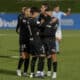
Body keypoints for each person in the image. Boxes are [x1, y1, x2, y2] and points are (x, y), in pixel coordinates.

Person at [26, 7, 45, 78]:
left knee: (34, 57)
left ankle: (31, 73)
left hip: (31, 40)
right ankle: (39, 73)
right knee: (42, 56)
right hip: (36, 40)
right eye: (37, 13)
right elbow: (42, 25)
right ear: (34, 13)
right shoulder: (34, 20)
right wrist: (43, 21)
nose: (38, 14)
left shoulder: (28, 20)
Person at [40, 8, 59, 79]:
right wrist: (47, 24)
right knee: (46, 56)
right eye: (47, 12)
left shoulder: (56, 20)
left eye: (50, 12)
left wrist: (47, 25)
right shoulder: (44, 20)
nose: (49, 13)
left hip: (51, 41)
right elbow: (41, 29)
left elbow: (52, 31)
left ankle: (54, 73)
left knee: (53, 56)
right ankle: (47, 71)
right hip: (44, 40)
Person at [16, 7, 31, 77]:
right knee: (23, 57)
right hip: (23, 40)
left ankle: (25, 71)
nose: (29, 12)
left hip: (29, 41)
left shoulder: (31, 19)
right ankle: (18, 69)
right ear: (25, 12)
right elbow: (20, 26)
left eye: (30, 11)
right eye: (28, 11)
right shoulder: (22, 19)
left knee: (28, 57)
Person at [38, 3, 52, 77]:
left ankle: (49, 71)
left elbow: (44, 26)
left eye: (42, 7)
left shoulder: (49, 17)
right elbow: (40, 25)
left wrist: (41, 24)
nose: (40, 9)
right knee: (41, 55)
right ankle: (41, 71)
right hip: (41, 38)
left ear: (46, 9)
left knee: (48, 55)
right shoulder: (40, 16)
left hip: (47, 39)